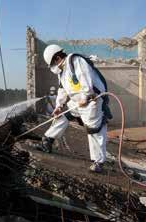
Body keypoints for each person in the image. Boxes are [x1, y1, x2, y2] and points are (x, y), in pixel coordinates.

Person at [38, 44, 110, 173]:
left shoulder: (75, 61)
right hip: (78, 102)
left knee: (94, 130)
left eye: (53, 64)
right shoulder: (62, 72)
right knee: (62, 116)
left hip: (92, 101)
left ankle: (98, 162)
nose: (54, 68)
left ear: (58, 58)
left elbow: (85, 78)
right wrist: (59, 106)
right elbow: (62, 89)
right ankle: (48, 140)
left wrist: (86, 96)